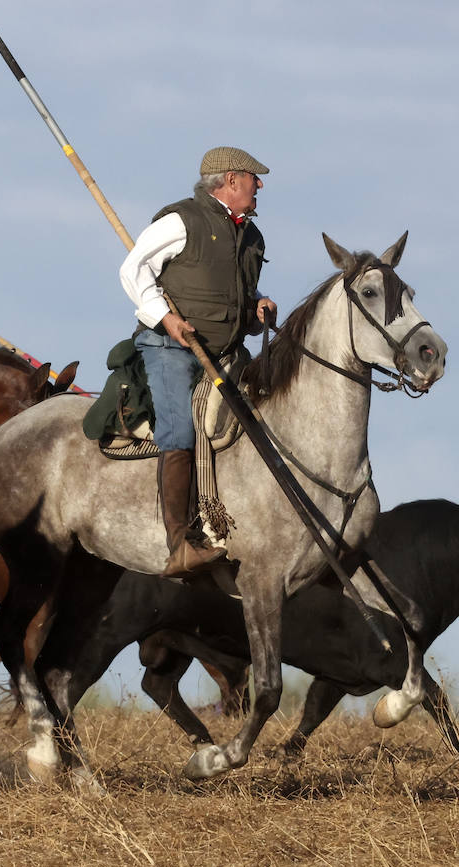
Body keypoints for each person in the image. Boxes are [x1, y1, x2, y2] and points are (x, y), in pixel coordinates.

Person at [119, 147, 278, 579]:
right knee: (181, 429)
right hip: (170, 348)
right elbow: (133, 270)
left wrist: (256, 306)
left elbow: (236, 298)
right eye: (253, 178)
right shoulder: (181, 220)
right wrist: (164, 317)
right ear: (230, 181)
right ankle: (179, 544)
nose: (259, 185)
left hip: (224, 352)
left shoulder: (252, 237)